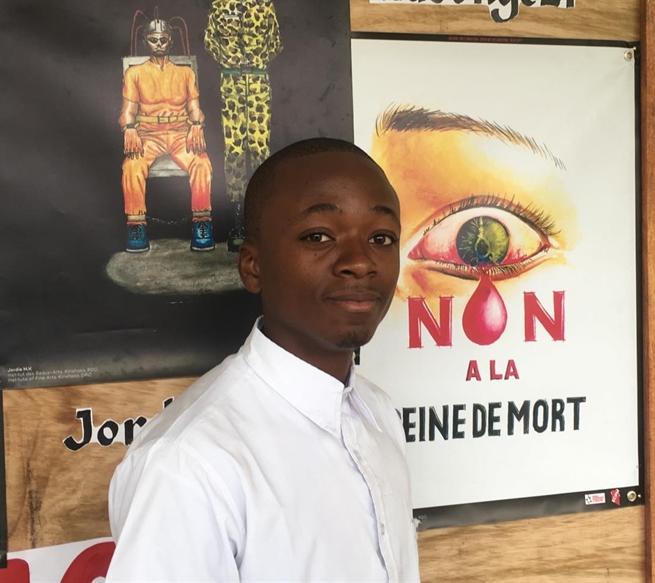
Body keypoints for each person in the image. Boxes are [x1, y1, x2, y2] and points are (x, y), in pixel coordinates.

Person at [105, 137, 420, 582]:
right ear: (252, 266)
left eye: (381, 238)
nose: (360, 262)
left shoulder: (377, 412)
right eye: (318, 236)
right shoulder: (188, 464)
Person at [120, 19, 215, 253]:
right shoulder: (135, 73)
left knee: (201, 162)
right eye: (153, 40)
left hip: (180, 133)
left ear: (170, 41)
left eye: (163, 39)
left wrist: (197, 125)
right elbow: (128, 110)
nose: (159, 44)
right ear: (146, 41)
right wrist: (129, 128)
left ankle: (202, 224)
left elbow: (194, 107)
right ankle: (136, 226)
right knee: (131, 166)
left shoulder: (185, 73)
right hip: (148, 135)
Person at [204, 0, 283, 252]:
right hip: (231, 83)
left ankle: (262, 219)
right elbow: (210, 42)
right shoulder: (220, 6)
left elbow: (276, 43)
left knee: (260, 149)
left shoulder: (264, 5)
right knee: (234, 150)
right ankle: (237, 220)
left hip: (259, 82)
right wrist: (230, 61)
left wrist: (257, 62)